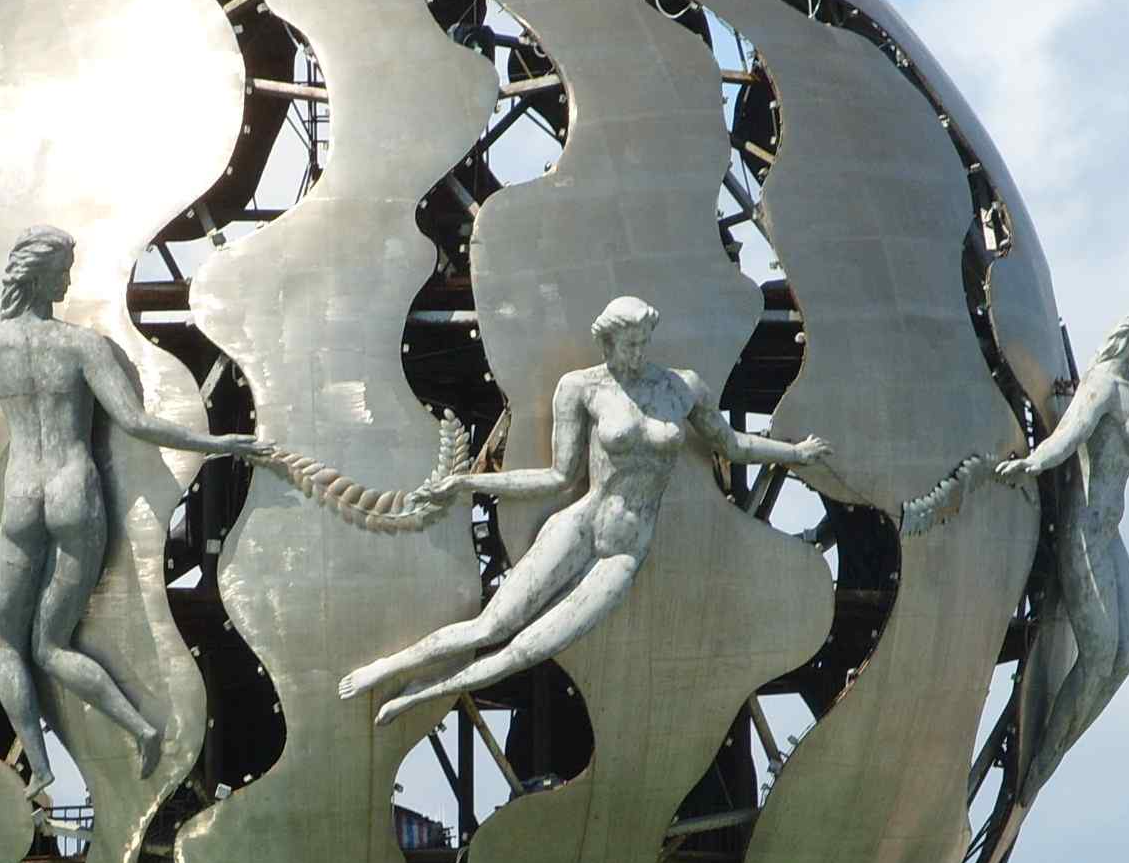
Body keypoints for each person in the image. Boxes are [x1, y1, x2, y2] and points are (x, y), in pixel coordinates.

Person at [0, 225, 267, 802]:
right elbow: (136, 423)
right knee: (51, 645)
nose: (68, 282)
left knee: (7, 643)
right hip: (76, 493)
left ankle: (41, 766)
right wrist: (219, 444)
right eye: (63, 272)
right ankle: (141, 730)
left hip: (24, 497)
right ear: (41, 276)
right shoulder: (82, 347)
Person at [337, 295, 834, 726]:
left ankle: (420, 695)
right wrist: (468, 482)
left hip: (626, 550)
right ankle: (387, 668)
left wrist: (795, 453)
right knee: (491, 626)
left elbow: (733, 444)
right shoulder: (582, 388)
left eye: (643, 343)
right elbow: (557, 477)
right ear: (607, 343)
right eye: (628, 345)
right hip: (580, 523)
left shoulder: (681, 389)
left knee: (528, 650)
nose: (637, 354)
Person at [994, 301, 1129, 801]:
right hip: (1083, 532)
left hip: (1110, 532)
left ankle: (1055, 751)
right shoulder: (1101, 385)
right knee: (1100, 656)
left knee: (1127, 656)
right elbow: (1068, 438)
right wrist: (1031, 464)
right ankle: (1039, 764)